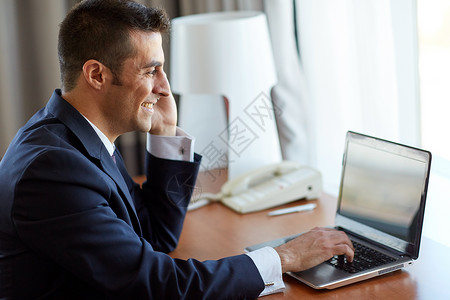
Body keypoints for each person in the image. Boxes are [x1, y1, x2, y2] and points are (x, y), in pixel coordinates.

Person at [0, 0, 354, 299]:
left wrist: (167, 131)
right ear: (96, 75)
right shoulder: (53, 169)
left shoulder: (75, 135)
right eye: (151, 70)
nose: (164, 87)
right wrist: (284, 256)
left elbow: (154, 236)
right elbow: (156, 283)